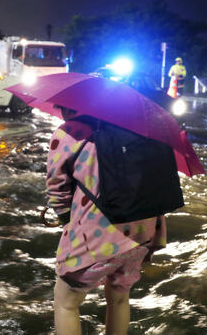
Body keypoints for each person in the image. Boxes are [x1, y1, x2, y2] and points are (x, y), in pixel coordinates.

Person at [47, 106, 167, 335]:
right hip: (143, 229)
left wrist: (66, 220)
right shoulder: (137, 130)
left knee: (66, 302)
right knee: (119, 297)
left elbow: (57, 188)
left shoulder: (71, 131)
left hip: (98, 232)